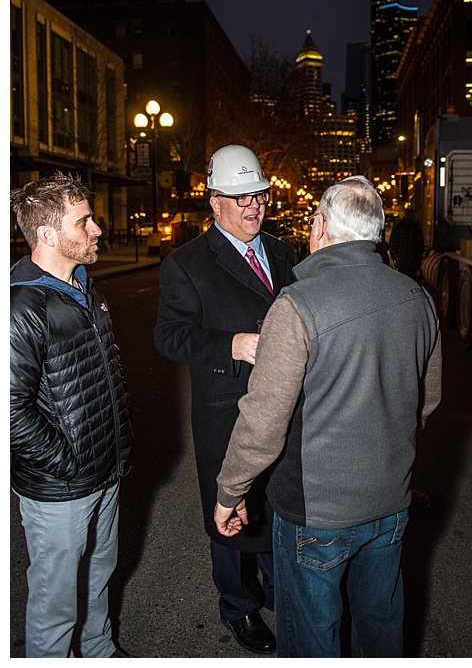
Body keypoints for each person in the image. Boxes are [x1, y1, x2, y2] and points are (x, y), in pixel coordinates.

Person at [213, 176, 441, 658]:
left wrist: (230, 491)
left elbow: (263, 420)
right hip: (390, 501)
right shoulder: (417, 298)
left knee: (312, 637)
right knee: (380, 626)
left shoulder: (296, 305)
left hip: (315, 512)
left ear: (318, 228)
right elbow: (427, 398)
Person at [152, 144, 296, 654]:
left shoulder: (282, 252)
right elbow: (169, 336)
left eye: (258, 194)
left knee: (278, 503)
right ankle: (238, 606)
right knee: (230, 511)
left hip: (282, 406)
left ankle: (282, 592)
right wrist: (232, 345)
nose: (254, 206)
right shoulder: (187, 264)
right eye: (241, 198)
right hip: (225, 414)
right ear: (215, 203)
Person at [11, 174, 134, 658]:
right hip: (61, 485)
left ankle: (100, 651)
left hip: (104, 472)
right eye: (83, 221)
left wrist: (110, 452)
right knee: (56, 603)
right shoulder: (21, 306)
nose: (97, 229)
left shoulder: (84, 287)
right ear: (47, 234)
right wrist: (69, 461)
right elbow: (12, 410)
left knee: (99, 577)